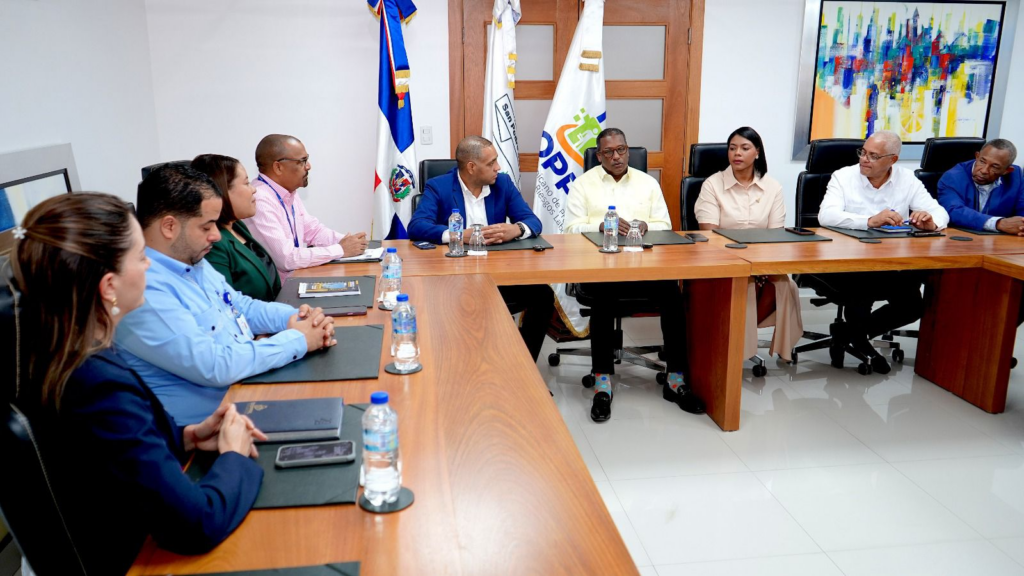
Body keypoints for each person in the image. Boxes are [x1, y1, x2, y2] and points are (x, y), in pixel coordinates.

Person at [10, 193, 265, 575]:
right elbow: (196, 524)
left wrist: (187, 436)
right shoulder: (96, 384)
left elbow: (109, 454)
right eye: (141, 255)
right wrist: (234, 455)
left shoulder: (62, 350)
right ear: (109, 286)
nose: (150, 264)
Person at [115, 164, 337, 425]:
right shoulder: (144, 291)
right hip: (208, 429)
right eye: (207, 226)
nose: (216, 236)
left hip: (246, 394)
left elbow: (240, 305)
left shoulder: (191, 261)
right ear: (169, 226)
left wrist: (296, 318)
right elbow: (215, 365)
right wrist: (299, 339)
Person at [565, 127, 704, 421]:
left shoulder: (647, 183)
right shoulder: (582, 185)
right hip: (601, 269)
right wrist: (600, 226)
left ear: (628, 150)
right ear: (598, 156)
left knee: (673, 294)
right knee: (603, 296)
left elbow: (665, 226)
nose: (616, 156)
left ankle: (675, 378)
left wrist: (645, 226)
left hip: (644, 267)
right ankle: (603, 382)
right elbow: (569, 230)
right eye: (609, 152)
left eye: (622, 150)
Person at [409, 136, 555, 361]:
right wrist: (459, 235)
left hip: (497, 275)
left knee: (543, 295)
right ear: (471, 167)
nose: (498, 167)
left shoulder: (503, 184)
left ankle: (524, 364)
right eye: (491, 163)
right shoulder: (439, 186)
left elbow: (532, 221)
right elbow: (417, 226)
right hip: (452, 278)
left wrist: (516, 229)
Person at [818, 130, 950, 374]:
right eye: (863, 152)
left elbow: (940, 212)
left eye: (873, 156)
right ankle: (858, 338)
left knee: (913, 306)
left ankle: (848, 333)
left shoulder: (907, 179)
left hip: (892, 262)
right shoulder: (844, 176)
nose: (864, 159)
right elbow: (826, 216)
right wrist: (869, 220)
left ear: (892, 160)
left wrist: (931, 222)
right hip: (847, 262)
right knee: (862, 289)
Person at [694, 126, 803, 362]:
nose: (737, 153)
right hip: (722, 259)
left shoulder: (772, 187)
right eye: (732, 148)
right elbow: (709, 235)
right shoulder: (712, 185)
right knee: (746, 284)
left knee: (786, 284)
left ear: (757, 152)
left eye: (744, 148)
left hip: (762, 260)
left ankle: (751, 342)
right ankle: (733, 347)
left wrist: (760, 266)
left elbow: (775, 235)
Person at [245, 134, 369, 281]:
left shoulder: (287, 192)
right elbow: (286, 258)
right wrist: (340, 249)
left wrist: (350, 242)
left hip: (297, 279)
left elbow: (313, 231)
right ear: (278, 167)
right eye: (302, 161)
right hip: (280, 290)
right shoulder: (260, 199)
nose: (308, 166)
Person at [192, 154, 282, 301]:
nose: (254, 190)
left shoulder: (237, 226)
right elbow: (227, 306)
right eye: (246, 183)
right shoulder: (213, 244)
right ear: (223, 191)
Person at [937, 138, 1024, 235]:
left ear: (1007, 171)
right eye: (982, 161)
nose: (984, 170)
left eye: (994, 166)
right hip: (959, 237)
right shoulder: (953, 177)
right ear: (977, 156)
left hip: (1000, 240)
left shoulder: (1015, 176)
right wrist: (998, 223)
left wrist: (1021, 225)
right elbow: (953, 211)